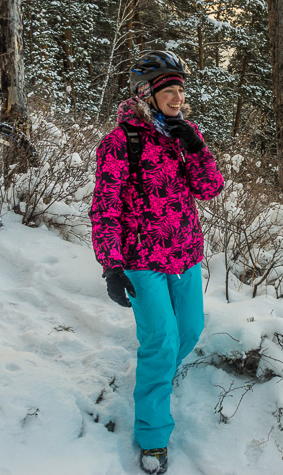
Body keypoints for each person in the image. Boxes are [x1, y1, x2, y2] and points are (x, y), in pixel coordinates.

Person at [90, 50, 224, 474]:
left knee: (190, 330)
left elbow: (210, 189)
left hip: (184, 254)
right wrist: (111, 265)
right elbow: (105, 206)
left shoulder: (185, 134)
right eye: (169, 90)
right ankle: (152, 436)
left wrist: (196, 146)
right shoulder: (120, 142)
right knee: (162, 341)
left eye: (182, 90)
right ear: (146, 94)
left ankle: (157, 376)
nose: (178, 97)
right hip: (141, 259)